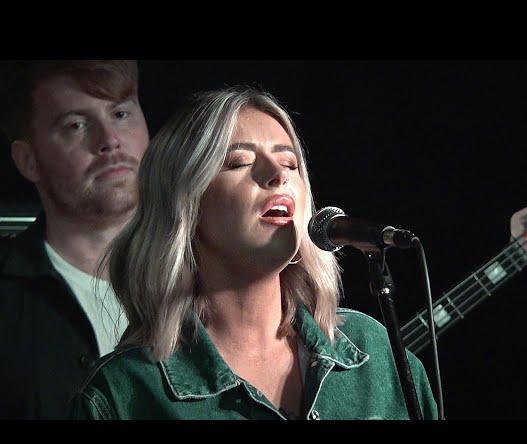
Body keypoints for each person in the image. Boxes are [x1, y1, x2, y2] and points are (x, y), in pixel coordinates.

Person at [70, 86, 437, 420]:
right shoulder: (121, 396)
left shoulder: (376, 352)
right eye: (239, 163)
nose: (277, 173)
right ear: (186, 207)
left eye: (290, 164)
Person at [0, 61, 150, 419]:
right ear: (28, 160)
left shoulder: (214, 272)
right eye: (76, 125)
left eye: (120, 113)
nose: (110, 140)